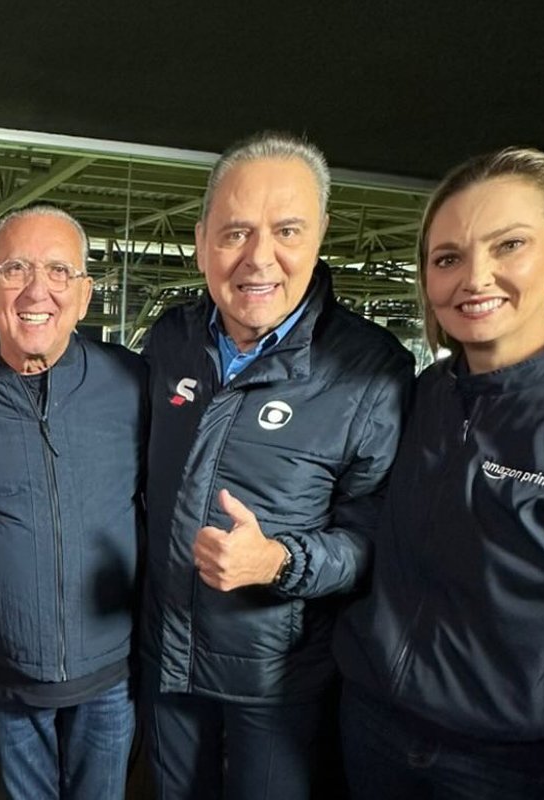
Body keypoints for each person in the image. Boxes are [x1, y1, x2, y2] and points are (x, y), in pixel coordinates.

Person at [334, 147, 544, 799]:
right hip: (374, 734)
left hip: (513, 769)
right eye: (448, 259)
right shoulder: (424, 397)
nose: (476, 277)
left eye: (509, 245)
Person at [139, 131, 415, 799]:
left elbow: (375, 538)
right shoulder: (170, 341)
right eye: (235, 233)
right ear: (202, 239)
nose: (259, 258)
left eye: (286, 230)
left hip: (278, 682)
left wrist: (282, 563)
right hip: (166, 665)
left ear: (319, 235)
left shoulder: (368, 370)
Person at [0, 206, 146, 799]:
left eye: (58, 271)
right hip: (6, 675)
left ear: (84, 295)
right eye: (16, 268)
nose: (37, 289)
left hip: (111, 676)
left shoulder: (132, 383)